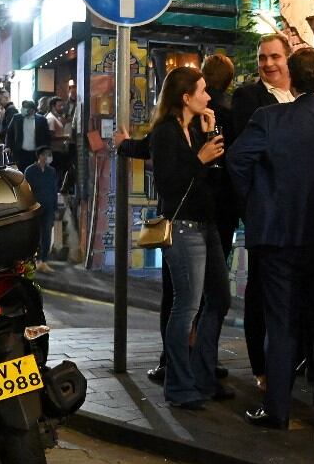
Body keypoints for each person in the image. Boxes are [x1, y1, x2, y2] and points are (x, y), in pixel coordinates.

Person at [229, 47, 314, 429]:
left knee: (281, 323)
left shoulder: (268, 118)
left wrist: (257, 203)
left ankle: (277, 408)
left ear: (292, 75)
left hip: (276, 236)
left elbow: (238, 162)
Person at [114, 67, 232, 409]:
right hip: (182, 228)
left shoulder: (193, 128)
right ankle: (180, 386)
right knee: (186, 307)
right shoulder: (167, 132)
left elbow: (209, 176)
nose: (208, 97)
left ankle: (202, 374)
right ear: (185, 97)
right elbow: (169, 183)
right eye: (203, 91)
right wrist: (200, 158)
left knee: (219, 300)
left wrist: (208, 140)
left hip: (206, 225)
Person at [231, 33, 296, 391]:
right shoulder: (248, 98)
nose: (268, 63)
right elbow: (243, 156)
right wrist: (253, 201)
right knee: (259, 290)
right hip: (266, 208)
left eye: (274, 57)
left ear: (288, 59)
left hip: (298, 209)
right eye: (262, 57)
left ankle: (289, 361)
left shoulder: (302, 96)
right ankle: (262, 365)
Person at [202, 54, 240, 259]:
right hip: (226, 197)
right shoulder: (233, 109)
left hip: (196, 197)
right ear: (229, 80)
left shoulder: (194, 107)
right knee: (218, 260)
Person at [24, 146, 58, 273]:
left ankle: (43, 261)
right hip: (35, 208)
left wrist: (55, 207)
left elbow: (54, 190)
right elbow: (27, 191)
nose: (49, 157)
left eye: (50, 154)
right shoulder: (30, 171)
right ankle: (33, 260)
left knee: (47, 235)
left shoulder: (51, 171)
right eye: (46, 154)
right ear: (40, 156)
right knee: (34, 235)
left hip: (49, 207)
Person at [7, 100, 50, 171]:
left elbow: (46, 138)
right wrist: (8, 146)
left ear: (32, 110)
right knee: (20, 174)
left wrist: (45, 153)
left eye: (25, 108)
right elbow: (9, 133)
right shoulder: (17, 118)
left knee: (34, 175)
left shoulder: (42, 120)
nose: (22, 109)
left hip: (35, 154)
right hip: (20, 153)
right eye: (22, 107)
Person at [45, 96, 73, 186]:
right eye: (60, 106)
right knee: (55, 173)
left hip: (59, 150)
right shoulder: (51, 119)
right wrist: (66, 137)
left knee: (59, 173)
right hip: (54, 151)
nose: (62, 108)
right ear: (53, 106)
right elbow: (51, 136)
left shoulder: (56, 117)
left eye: (62, 105)